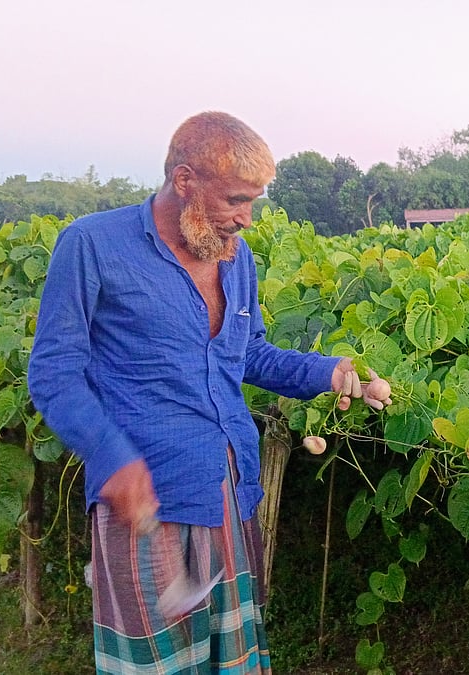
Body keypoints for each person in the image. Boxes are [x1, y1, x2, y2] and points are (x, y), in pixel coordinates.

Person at [27, 111, 390, 674]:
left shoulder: (235, 258)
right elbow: (54, 372)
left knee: (230, 659)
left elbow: (248, 354)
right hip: (149, 494)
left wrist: (333, 372)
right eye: (236, 201)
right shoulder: (92, 245)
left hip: (229, 489)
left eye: (255, 202)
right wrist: (111, 457)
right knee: (154, 663)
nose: (246, 219)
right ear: (185, 181)